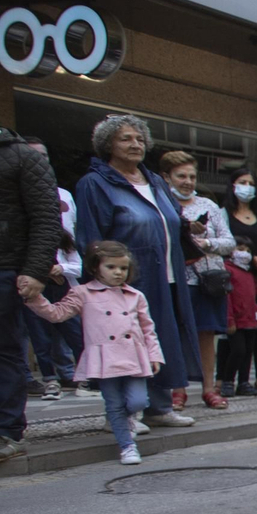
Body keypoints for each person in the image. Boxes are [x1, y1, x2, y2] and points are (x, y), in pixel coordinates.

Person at [73, 114, 198, 431]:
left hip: (165, 275)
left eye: (140, 139)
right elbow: (91, 236)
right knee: (123, 344)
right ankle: (121, 414)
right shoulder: (95, 183)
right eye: (126, 138)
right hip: (123, 280)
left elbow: (173, 224)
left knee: (160, 340)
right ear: (108, 145)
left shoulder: (154, 181)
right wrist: (99, 282)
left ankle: (159, 406)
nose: (135, 144)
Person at [25, 240, 165, 466]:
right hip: (104, 358)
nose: (118, 272)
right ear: (95, 267)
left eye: (123, 268)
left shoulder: (135, 295)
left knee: (139, 401)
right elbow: (57, 313)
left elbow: (148, 328)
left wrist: (154, 354)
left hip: (134, 356)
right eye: (111, 267)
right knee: (114, 404)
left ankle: (128, 420)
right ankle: (127, 446)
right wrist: (34, 298)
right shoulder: (82, 293)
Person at [0, 87, 65, 463]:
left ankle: (5, 430)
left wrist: (35, 270)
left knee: (2, 349)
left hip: (1, 269)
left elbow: (46, 218)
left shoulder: (21, 157)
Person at [159, 150, 235, 410]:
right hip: (176, 280)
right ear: (166, 177)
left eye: (192, 176)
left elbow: (229, 242)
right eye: (181, 176)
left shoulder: (209, 206)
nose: (187, 181)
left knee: (206, 336)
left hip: (208, 282)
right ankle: (177, 391)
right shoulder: (162, 205)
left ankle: (208, 389)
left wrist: (207, 242)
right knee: (177, 334)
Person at [18, 137, 84, 400]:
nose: (39, 160)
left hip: (63, 279)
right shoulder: (16, 194)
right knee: (37, 334)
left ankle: (75, 374)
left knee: (71, 330)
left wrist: (65, 269)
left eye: (43, 155)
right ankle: (45, 379)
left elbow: (72, 239)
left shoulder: (65, 196)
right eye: (32, 155)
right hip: (31, 278)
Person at [220, 169, 257, 392]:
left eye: (251, 183)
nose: (247, 187)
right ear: (233, 186)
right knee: (231, 331)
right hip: (234, 280)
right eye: (242, 182)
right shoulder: (223, 213)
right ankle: (223, 379)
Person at [218, 235, 257, 396]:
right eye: (240, 249)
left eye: (248, 250)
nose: (244, 253)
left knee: (247, 353)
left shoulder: (249, 273)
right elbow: (227, 297)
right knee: (237, 350)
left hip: (251, 319)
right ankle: (227, 381)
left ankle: (243, 382)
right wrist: (229, 319)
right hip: (236, 320)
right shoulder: (228, 269)